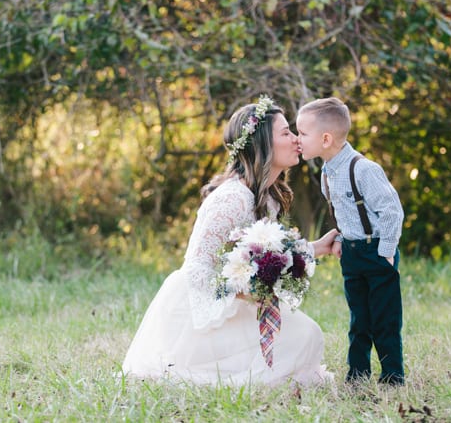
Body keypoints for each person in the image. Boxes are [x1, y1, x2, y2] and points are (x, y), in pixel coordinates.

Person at [121, 96, 338, 387]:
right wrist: (242, 290)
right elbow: (198, 269)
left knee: (307, 335)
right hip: (202, 314)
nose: (297, 139)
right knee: (302, 338)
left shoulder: (268, 198)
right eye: (286, 132)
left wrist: (319, 247)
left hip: (240, 303)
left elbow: (274, 255)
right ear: (262, 144)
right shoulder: (232, 198)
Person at [295, 97, 405, 386]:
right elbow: (345, 213)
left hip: (377, 251)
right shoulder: (327, 172)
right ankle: (357, 374)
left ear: (326, 138)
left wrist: (387, 252)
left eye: (302, 133)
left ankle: (393, 375)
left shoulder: (364, 169)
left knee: (385, 319)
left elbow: (392, 211)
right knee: (359, 320)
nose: (298, 139)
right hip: (353, 255)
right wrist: (343, 238)